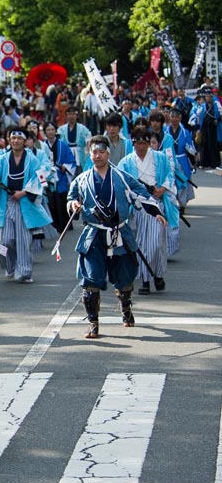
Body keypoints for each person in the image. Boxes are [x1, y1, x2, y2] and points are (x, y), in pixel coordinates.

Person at [67, 135, 166, 339]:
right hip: (93, 235)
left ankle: (125, 307)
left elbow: (141, 194)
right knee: (90, 280)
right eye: (94, 152)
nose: (97, 155)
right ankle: (93, 322)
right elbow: (71, 198)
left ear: (108, 153)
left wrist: (156, 212)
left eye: (101, 152)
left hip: (119, 232)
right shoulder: (82, 179)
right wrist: (74, 206)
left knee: (124, 277)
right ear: (90, 153)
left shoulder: (121, 177)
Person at [0, 128, 53, 283]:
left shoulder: (33, 159)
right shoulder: (2, 159)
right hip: (6, 201)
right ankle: (10, 266)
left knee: (23, 239)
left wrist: (23, 192)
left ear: (25, 141)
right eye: (13, 137)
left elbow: (40, 178)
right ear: (9, 140)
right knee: (6, 239)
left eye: (19, 138)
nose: (15, 140)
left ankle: (24, 272)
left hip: (24, 202)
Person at [118, 128, 178, 294]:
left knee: (156, 243)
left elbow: (169, 174)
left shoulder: (160, 158)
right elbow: (121, 183)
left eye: (144, 143)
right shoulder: (126, 162)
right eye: (138, 143)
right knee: (141, 244)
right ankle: (145, 279)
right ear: (133, 143)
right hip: (138, 206)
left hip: (156, 204)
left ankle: (157, 274)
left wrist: (163, 188)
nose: (141, 146)